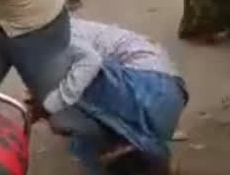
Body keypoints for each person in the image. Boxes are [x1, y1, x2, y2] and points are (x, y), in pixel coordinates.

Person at [31, 18, 187, 174]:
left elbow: (85, 68)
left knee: (61, 96)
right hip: (165, 103)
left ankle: (139, 153)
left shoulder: (49, 36)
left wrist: (45, 110)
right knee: (81, 142)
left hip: (148, 88)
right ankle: (141, 153)